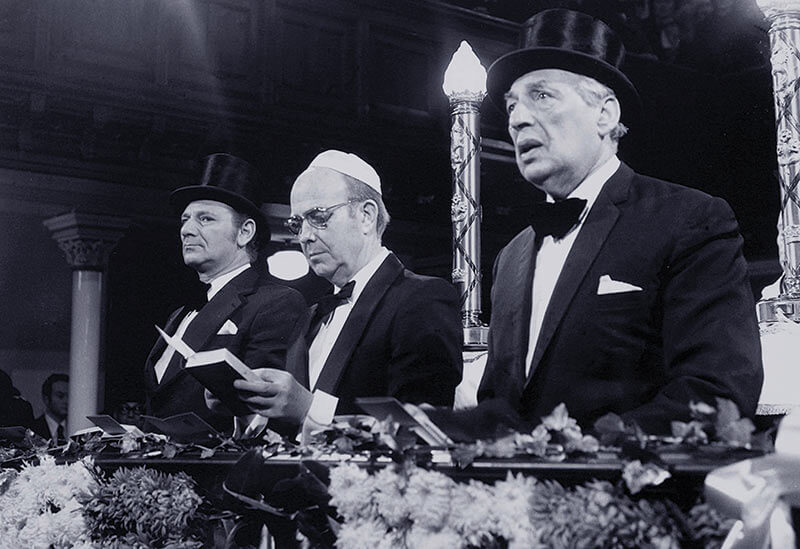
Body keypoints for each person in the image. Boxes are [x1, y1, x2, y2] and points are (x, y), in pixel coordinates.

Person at [478, 8, 763, 434]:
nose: (517, 119)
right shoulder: (511, 255)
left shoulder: (689, 219)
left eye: (541, 96)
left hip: (634, 476)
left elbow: (716, 392)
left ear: (605, 114)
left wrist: (577, 452)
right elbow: (498, 408)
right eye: (511, 105)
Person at [212, 150, 463, 436]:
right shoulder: (311, 315)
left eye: (318, 217)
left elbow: (421, 430)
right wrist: (247, 407)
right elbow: (294, 428)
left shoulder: (422, 298)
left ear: (366, 216)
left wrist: (310, 410)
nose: (304, 236)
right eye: (297, 224)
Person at [143, 153, 307, 432]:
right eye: (185, 219)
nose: (187, 230)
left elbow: (260, 413)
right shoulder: (179, 315)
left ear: (245, 232)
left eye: (205, 219)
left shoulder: (277, 303)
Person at [31, 373, 69, 443]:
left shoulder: (77, 427)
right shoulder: (32, 429)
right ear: (46, 399)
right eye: (60, 396)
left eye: (70, 396)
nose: (66, 401)